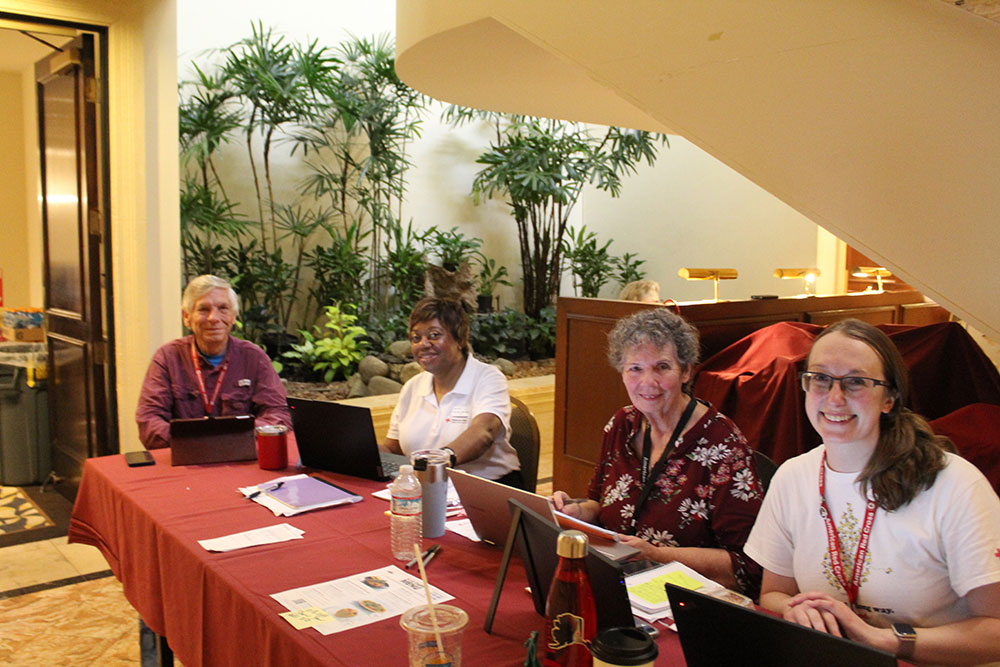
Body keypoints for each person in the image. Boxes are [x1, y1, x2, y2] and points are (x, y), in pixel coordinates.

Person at [744, 319, 1000, 665]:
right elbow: (774, 594)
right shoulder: (792, 477)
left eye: (856, 382)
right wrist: (800, 611)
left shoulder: (953, 484)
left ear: (889, 398)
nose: (834, 398)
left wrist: (886, 640)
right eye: (820, 378)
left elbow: (996, 632)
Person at [551, 308, 764, 597]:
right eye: (635, 368)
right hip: (620, 585)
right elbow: (600, 504)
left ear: (686, 371)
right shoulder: (622, 425)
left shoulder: (723, 445)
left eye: (662, 367)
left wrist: (656, 554)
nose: (647, 382)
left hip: (688, 599)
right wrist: (576, 512)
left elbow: (748, 567)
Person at [136, 275, 292, 449]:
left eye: (223, 308)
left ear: (233, 317)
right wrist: (197, 444)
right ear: (186, 317)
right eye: (203, 309)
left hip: (241, 458)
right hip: (186, 461)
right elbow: (149, 420)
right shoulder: (167, 357)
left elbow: (279, 413)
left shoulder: (254, 357)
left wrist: (231, 440)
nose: (213, 318)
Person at [382, 297, 523, 488]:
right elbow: (394, 448)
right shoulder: (412, 387)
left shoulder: (488, 378)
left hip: (487, 489)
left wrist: (439, 460)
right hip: (426, 487)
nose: (423, 343)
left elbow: (484, 432)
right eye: (416, 338)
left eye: (434, 335)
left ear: (459, 339)